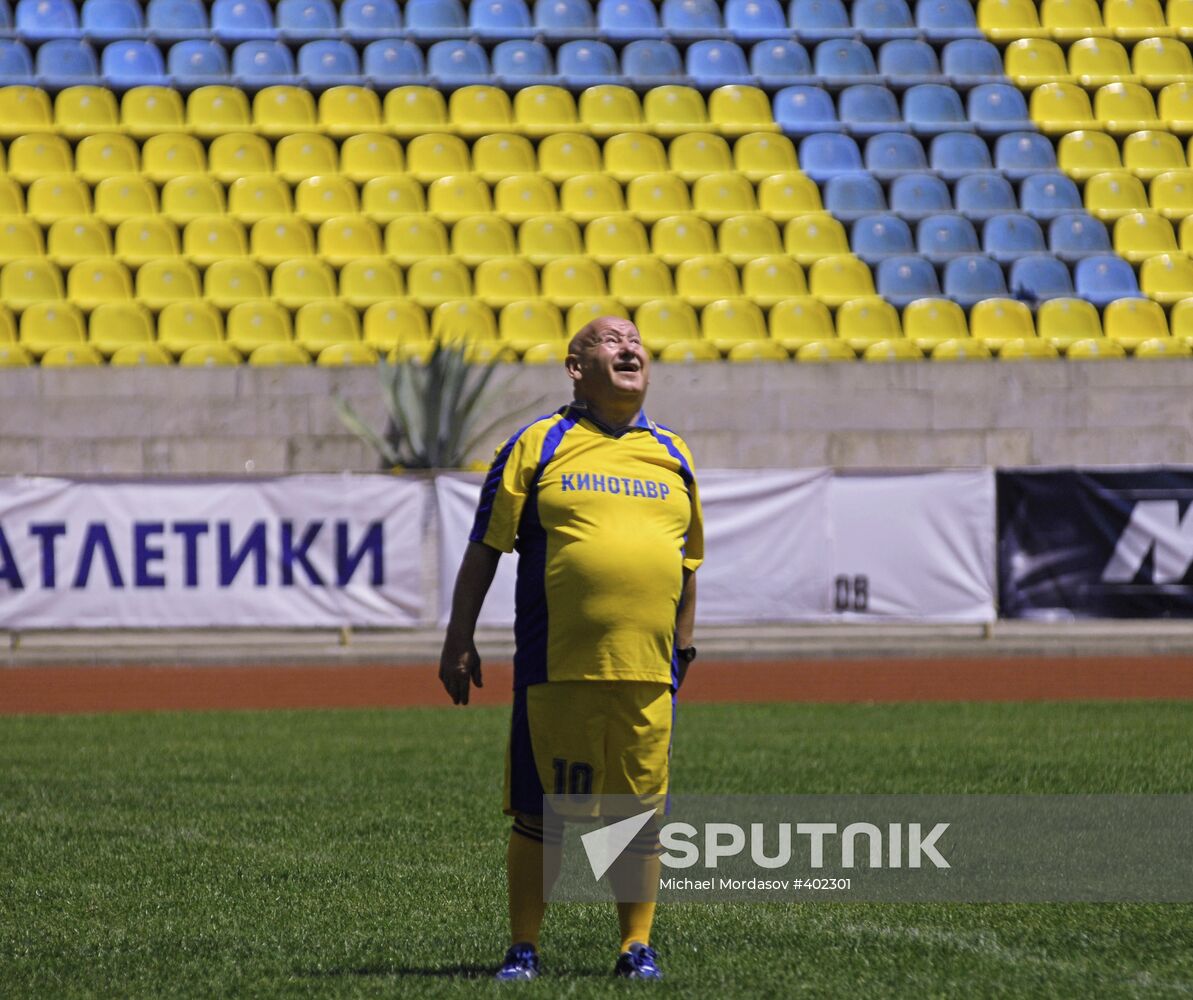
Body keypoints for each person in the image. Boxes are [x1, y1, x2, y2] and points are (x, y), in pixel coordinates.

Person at [438, 315, 703, 981]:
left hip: (647, 673)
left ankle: (634, 946)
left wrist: (684, 648)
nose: (628, 346)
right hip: (558, 669)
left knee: (639, 814)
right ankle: (522, 947)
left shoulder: (673, 453)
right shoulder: (538, 443)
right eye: (609, 339)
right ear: (574, 366)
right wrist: (458, 638)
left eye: (635, 338)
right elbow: (485, 547)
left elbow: (687, 563)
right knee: (541, 812)